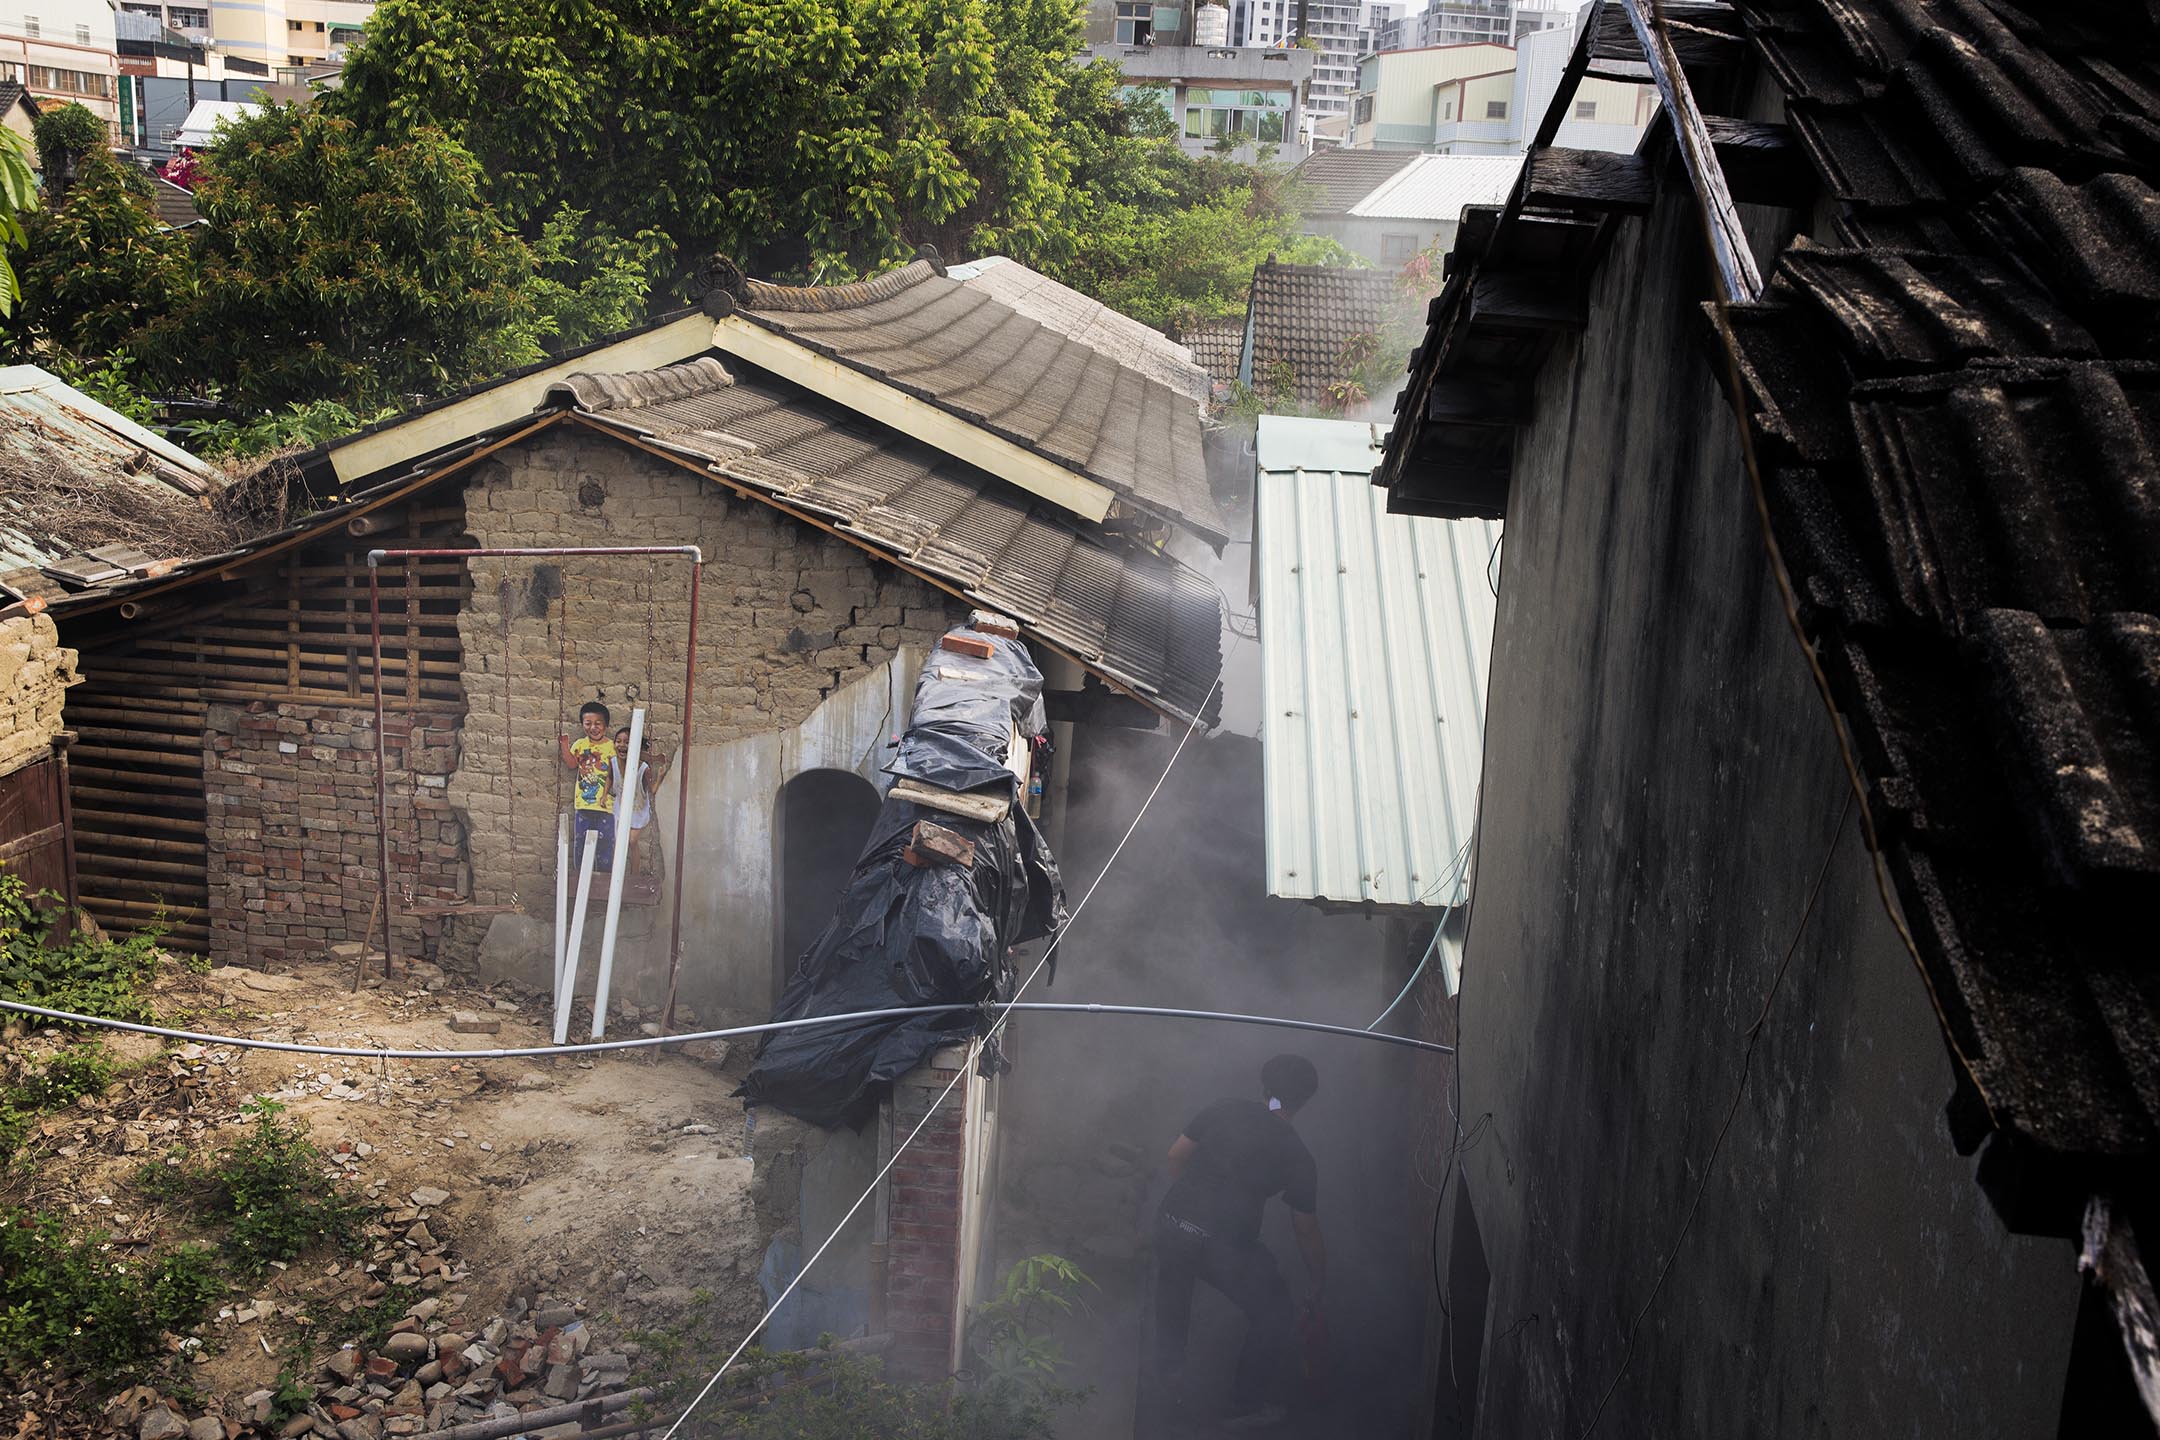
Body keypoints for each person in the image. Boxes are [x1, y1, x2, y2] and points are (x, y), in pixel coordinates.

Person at [1142, 1054, 1326, 1433]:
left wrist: (1189, 1204)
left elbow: (1176, 1156)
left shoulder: (1222, 1109)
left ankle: (1167, 1379)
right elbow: (1305, 1230)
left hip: (1172, 1223)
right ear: (1304, 1102)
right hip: (1223, 1247)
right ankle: (1243, 1406)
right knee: (1275, 1312)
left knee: (1173, 1290)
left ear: (1265, 1088)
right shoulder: (1298, 1157)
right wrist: (1318, 1280)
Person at [558, 701, 616, 870]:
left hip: (606, 808)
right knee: (580, 845)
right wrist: (564, 745)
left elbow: (615, 774)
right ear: (582, 724)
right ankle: (580, 881)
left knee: (605, 847)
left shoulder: (611, 747)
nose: (593, 728)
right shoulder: (581, 745)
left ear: (605, 725)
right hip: (583, 806)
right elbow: (571, 764)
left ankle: (604, 884)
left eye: (597, 723)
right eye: (588, 723)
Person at [609, 728, 673, 879]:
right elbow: (610, 780)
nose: (622, 745)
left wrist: (659, 776)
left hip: (638, 810)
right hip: (621, 807)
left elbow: (651, 790)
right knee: (617, 843)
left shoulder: (644, 769)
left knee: (632, 841)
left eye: (627, 742)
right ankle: (615, 876)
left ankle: (634, 876)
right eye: (618, 741)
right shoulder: (613, 763)